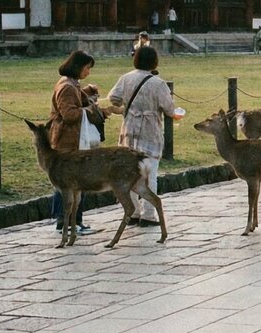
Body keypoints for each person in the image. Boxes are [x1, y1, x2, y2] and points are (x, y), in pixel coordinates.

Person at [108, 46, 179, 227]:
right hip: (149, 130)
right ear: (154, 62)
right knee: (149, 174)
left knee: (129, 173)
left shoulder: (126, 78)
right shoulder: (158, 83)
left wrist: (128, 107)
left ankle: (131, 212)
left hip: (130, 129)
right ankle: (148, 214)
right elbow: (169, 108)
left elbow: (113, 97)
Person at [48, 50, 102, 235]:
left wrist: (87, 92)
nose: (88, 72)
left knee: (71, 182)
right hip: (68, 141)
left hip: (70, 140)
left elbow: (74, 98)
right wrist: (89, 108)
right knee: (70, 183)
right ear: (78, 67)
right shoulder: (68, 87)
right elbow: (70, 114)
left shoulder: (70, 84)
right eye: (87, 68)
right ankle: (67, 222)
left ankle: (71, 221)